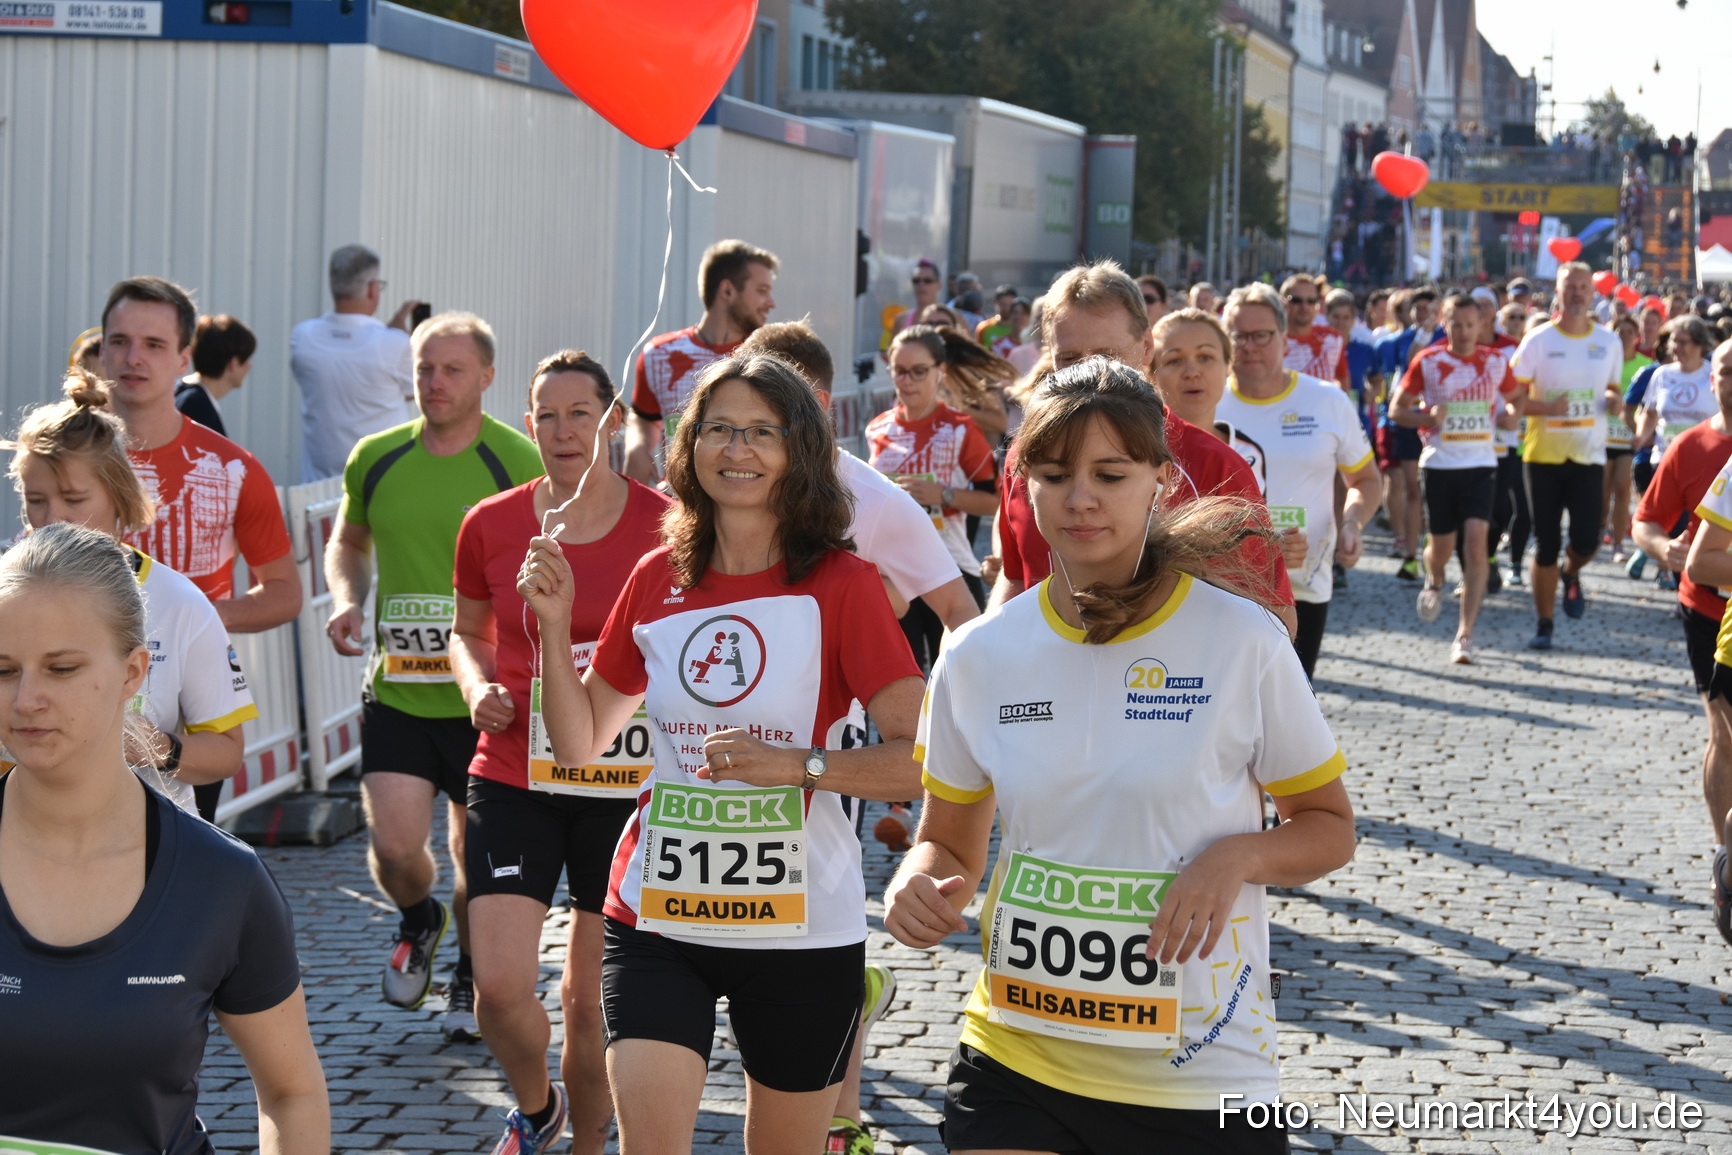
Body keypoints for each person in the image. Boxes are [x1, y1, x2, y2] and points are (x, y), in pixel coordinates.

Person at [883, 358, 1354, 1155]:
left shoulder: (1241, 641)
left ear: (1161, 482)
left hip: (1200, 1071)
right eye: (1055, 472)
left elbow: (1329, 827)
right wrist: (914, 881)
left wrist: (1236, 855)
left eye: (1110, 472)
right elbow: (950, 840)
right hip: (1016, 1055)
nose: (1081, 498)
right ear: (1022, 484)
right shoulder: (977, 655)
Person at [519, 352, 926, 1155]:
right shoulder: (657, 575)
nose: (736, 449)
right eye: (717, 429)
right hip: (660, 911)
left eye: (760, 432)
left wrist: (800, 766)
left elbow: (923, 758)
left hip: (802, 927)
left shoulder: (843, 585)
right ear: (689, 446)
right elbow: (579, 741)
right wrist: (557, 627)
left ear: (798, 449)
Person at [0, 522, 328, 1155]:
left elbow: (292, 1092)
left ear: (133, 674)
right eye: (3, 669)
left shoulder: (220, 881)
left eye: (62, 668)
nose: (27, 699)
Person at [740, 319, 976, 1155]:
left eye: (778, 411)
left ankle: (839, 1117)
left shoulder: (872, 501)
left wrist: (918, 721)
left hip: (834, 749)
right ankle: (838, 1067)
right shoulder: (718, 492)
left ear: (819, 405)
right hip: (727, 749)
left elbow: (961, 618)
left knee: (812, 915)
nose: (756, 435)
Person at [452, 350, 669, 1153]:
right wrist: (475, 687)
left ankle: (588, 1142)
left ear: (612, 421)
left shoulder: (666, 525)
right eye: (546, 414)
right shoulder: (494, 522)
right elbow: (466, 630)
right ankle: (539, 1106)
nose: (563, 429)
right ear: (528, 423)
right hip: (515, 768)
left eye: (581, 412)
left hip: (621, 780)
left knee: (586, 1003)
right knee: (500, 989)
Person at [324, 311, 544, 1041]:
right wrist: (349, 598)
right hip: (400, 691)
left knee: (471, 852)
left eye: (451, 369)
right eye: (423, 368)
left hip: (485, 696)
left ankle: (471, 978)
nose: (434, 382)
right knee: (393, 847)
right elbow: (349, 541)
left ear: (486, 376)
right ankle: (420, 918)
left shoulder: (517, 460)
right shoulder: (377, 456)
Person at [992, 261, 1297, 640]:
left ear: (1147, 346)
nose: (1091, 373)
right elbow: (1015, 576)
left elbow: (1273, 612)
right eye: (1070, 358)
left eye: (1106, 355)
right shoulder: (1025, 456)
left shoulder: (1219, 465)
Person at [7, 370, 258, 815]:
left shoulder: (177, 601)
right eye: (36, 499)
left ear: (120, 497)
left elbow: (227, 752)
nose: (53, 517)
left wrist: (152, 746)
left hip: (145, 851)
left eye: (74, 498)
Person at [101, 276, 300, 633]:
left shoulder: (234, 469)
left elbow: (284, 594)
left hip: (192, 684)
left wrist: (197, 616)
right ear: (102, 350)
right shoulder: (63, 457)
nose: (134, 358)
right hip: (84, 685)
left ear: (183, 359)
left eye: (153, 345)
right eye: (120, 341)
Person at [1218, 284, 1381, 677]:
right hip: (1222, 586)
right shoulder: (1208, 401)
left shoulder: (1326, 401)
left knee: (1292, 715)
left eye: (1262, 336)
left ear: (1284, 337)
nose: (1250, 346)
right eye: (1239, 337)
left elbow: (1366, 479)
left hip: (1303, 583)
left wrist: (1353, 523)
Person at [1389, 294, 1522, 664]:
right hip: (1439, 466)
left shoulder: (1495, 361)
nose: (1463, 332)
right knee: (1442, 547)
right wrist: (1427, 417)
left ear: (1481, 325)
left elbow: (1515, 398)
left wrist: (1511, 415)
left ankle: (1465, 634)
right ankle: (1434, 578)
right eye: (1456, 324)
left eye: (1469, 324)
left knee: (1477, 544)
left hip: (1481, 464)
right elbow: (1397, 411)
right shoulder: (1428, 362)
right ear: (1443, 323)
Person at [868, 326, 1004, 667]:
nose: (908, 381)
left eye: (918, 371)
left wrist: (941, 494)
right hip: (892, 572)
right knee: (899, 674)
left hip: (948, 567)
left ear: (940, 372)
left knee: (960, 673)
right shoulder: (877, 429)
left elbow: (995, 501)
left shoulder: (960, 428)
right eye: (900, 371)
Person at [1510, 262, 1625, 650]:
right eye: (1569, 287)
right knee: (1544, 543)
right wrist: (1546, 409)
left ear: (1593, 294)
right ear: (1556, 293)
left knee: (1588, 540)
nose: (1576, 293)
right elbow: (1513, 401)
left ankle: (1570, 573)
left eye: (1582, 287)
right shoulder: (1538, 341)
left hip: (1588, 456)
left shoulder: (1609, 342)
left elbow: (1613, 393)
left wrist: (1614, 401)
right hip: (1542, 456)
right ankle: (1544, 624)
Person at [625, 240, 778, 484]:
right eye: (761, 291)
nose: (771, 302)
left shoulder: (772, 356)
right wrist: (637, 446)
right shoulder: (659, 354)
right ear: (727, 291)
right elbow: (643, 416)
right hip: (678, 503)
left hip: (747, 499)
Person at [1676, 339, 1732, 944]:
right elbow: (1703, 563)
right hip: (1724, 637)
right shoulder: (1718, 458)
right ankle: (1728, 856)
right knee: (1724, 739)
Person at [291, 244, 420, 482]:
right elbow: (418, 390)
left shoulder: (303, 337)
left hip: (318, 488)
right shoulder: (394, 344)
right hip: (382, 481)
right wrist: (403, 340)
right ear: (372, 289)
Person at [1375, 288, 1439, 580]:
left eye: (1429, 308)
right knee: (1412, 488)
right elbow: (1412, 362)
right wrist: (1423, 334)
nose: (1424, 313)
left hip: (1440, 425)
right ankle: (1410, 555)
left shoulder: (1449, 337)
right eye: (1419, 308)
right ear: (1410, 312)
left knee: (1434, 494)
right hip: (1409, 421)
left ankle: (1435, 551)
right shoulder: (1401, 340)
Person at [1492, 304, 1534, 586]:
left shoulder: (1533, 353)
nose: (1517, 322)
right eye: (1511, 318)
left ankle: (1516, 565)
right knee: (1496, 507)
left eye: (1522, 317)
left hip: (1528, 442)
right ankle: (1489, 556)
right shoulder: (1496, 354)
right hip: (1497, 441)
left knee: (1524, 508)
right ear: (1501, 322)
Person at [1608, 314, 1652, 564]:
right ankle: (1600, 529)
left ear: (1636, 336)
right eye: (1619, 331)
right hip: (1602, 436)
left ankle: (1618, 544)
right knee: (1603, 495)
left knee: (1623, 489)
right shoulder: (1604, 361)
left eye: (1628, 332)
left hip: (1629, 437)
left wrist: (1641, 431)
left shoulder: (1645, 365)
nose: (1624, 336)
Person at [178, 313, 256, 438]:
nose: (249, 366)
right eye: (246, 359)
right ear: (233, 363)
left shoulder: (187, 394)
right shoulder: (196, 406)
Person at [1280, 274, 1350, 392]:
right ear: (1283, 302)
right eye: (1297, 300)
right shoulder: (1271, 341)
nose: (1304, 306)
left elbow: (1343, 381)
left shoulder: (1332, 339)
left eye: (1311, 300)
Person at [892, 259, 944, 335]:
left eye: (927, 280)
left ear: (939, 286)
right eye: (916, 280)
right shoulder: (901, 320)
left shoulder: (953, 319)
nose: (921, 285)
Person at [975, 285, 1020, 350]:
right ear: (995, 303)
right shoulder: (984, 328)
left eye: (1010, 305)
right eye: (1002, 304)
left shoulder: (1022, 328)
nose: (1006, 308)